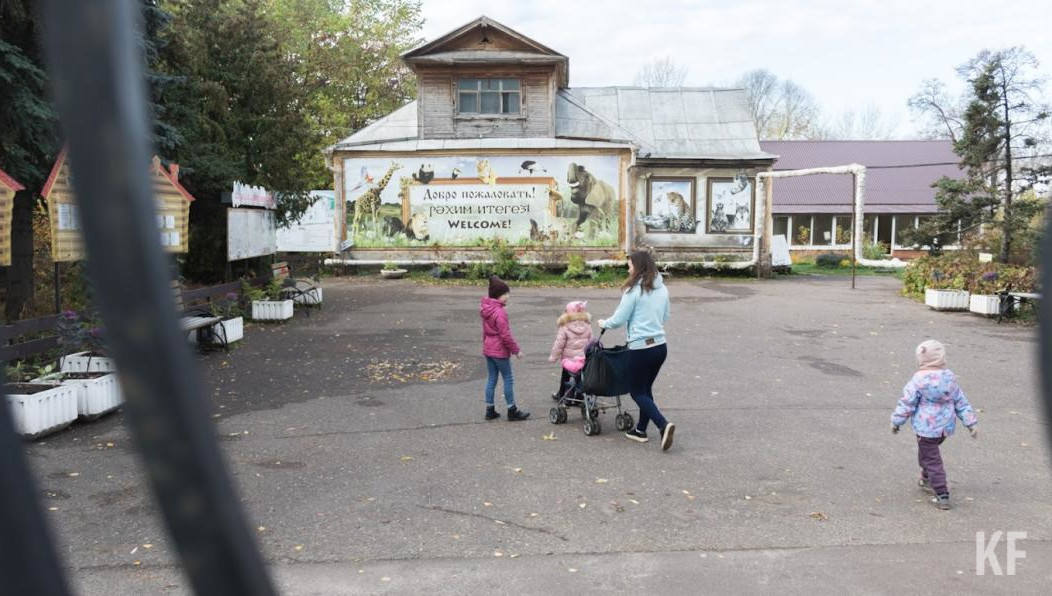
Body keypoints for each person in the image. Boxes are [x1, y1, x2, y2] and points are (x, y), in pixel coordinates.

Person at [598, 250, 675, 451]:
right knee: (646, 390)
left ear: (638, 266)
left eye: (630, 265)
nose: (628, 268)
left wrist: (604, 323)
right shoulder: (663, 288)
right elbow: (665, 316)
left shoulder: (633, 290)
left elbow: (619, 319)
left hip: (641, 349)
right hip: (660, 347)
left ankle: (663, 425)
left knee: (637, 391)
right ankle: (640, 430)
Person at [891, 339, 978, 510]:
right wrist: (970, 423)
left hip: (926, 428)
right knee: (927, 453)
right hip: (945, 427)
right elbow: (960, 401)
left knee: (931, 459)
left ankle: (941, 493)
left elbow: (907, 402)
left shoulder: (918, 379)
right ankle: (926, 477)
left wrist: (897, 421)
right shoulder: (949, 377)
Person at [480, 275, 529, 421]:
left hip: (488, 348)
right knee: (508, 378)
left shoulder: (486, 308)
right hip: (499, 350)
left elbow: (485, 331)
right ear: (497, 295)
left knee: (492, 378)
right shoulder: (500, 312)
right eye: (505, 294)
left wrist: (485, 346)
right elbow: (505, 335)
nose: (508, 296)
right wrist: (516, 350)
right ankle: (512, 409)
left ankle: (490, 409)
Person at [548, 300, 593, 399]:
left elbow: (559, 344)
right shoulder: (587, 325)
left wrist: (553, 357)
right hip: (583, 360)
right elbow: (591, 342)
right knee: (581, 375)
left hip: (569, 359)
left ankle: (562, 394)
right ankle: (579, 396)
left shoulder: (565, 326)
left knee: (565, 375)